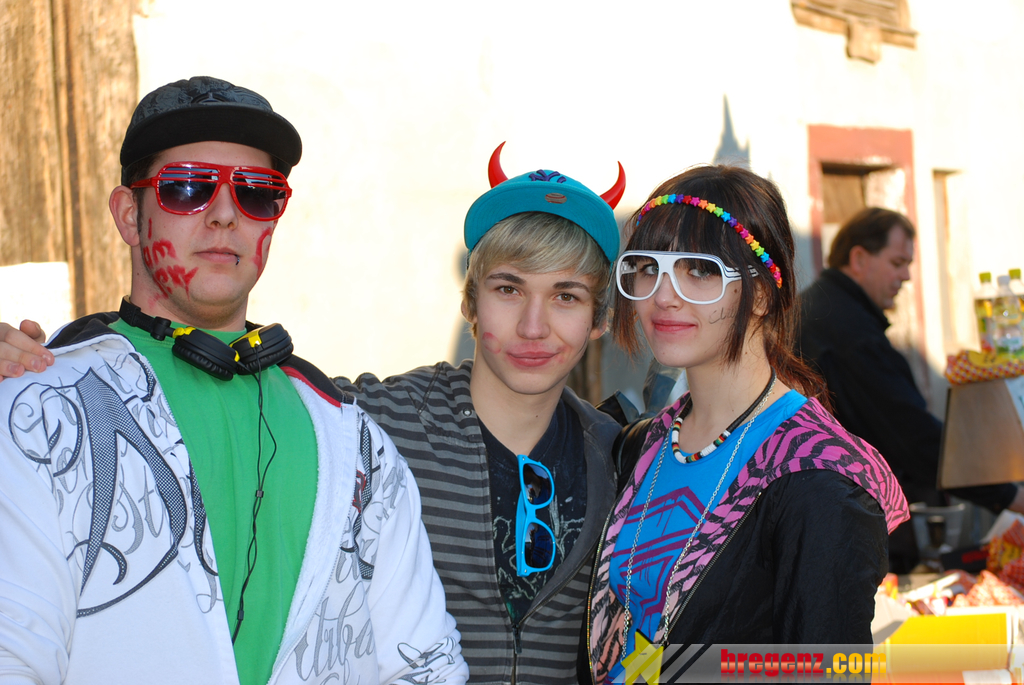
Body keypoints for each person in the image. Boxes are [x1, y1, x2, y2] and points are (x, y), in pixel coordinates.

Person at [0, 145, 626, 684]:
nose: (533, 326)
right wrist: (32, 357)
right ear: (471, 301)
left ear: (598, 319)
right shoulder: (370, 422)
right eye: (509, 289)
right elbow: (238, 386)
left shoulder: (622, 456)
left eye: (566, 296)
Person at [0, 76, 467, 685]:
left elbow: (427, 666)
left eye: (256, 193)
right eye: (188, 187)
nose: (224, 214)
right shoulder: (37, 406)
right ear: (129, 215)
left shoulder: (356, 442)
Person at [579, 166, 909, 684]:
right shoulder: (641, 446)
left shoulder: (818, 478)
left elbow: (825, 674)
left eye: (699, 270)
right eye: (647, 267)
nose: (663, 295)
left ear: (761, 294)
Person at [796, 207, 1024, 573]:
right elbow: (912, 434)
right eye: (898, 263)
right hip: (845, 527)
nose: (905, 276)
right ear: (859, 258)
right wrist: (1008, 495)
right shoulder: (848, 330)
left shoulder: (824, 307)